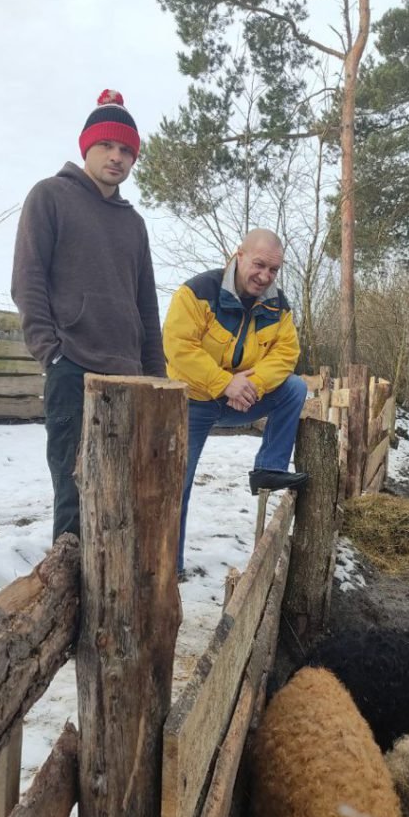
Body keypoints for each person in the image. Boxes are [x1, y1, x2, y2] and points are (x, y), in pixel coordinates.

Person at [11, 89, 165, 542]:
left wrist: (155, 376)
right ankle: (73, 604)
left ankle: (122, 607)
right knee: (76, 497)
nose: (117, 157)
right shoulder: (50, 197)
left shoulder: (133, 224)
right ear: (87, 147)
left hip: (131, 377)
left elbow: (146, 306)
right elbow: (28, 280)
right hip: (73, 368)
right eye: (107, 146)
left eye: (127, 150)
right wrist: (51, 355)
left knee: (130, 497)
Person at [164, 228, 308, 575]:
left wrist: (253, 385)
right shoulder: (197, 292)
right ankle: (169, 568)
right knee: (175, 483)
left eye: (274, 270)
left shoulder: (279, 306)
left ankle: (269, 468)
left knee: (294, 388)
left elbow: (286, 353)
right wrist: (224, 382)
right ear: (238, 256)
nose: (265, 276)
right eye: (259, 265)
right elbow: (179, 349)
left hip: (241, 399)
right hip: (193, 400)